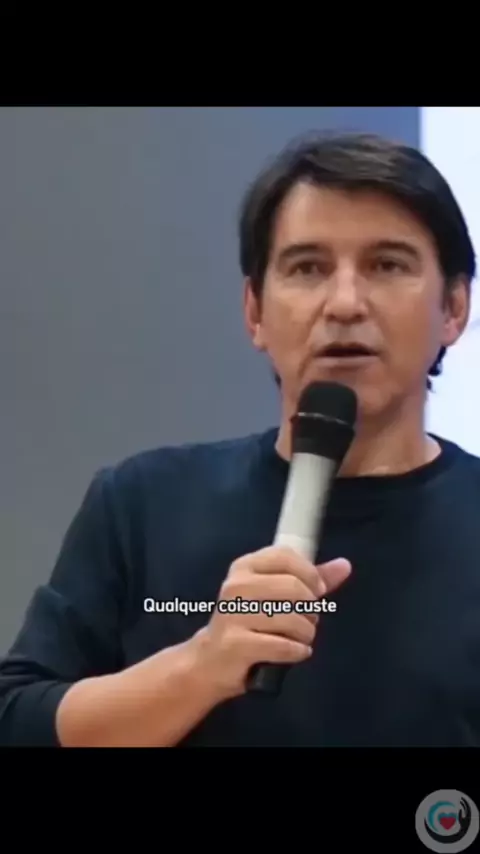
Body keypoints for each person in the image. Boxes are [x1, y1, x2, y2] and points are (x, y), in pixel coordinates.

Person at [0, 131, 478, 748]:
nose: (344, 303)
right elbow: (17, 722)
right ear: (255, 311)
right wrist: (201, 665)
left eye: (387, 265)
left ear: (454, 308)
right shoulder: (143, 504)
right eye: (308, 268)